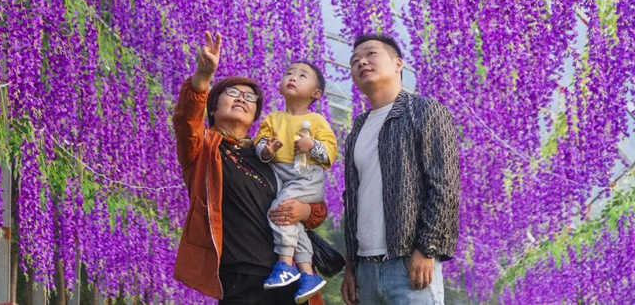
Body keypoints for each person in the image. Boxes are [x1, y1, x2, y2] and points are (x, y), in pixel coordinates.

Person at [172, 32, 327, 305]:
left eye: (250, 97)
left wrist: (305, 210)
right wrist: (203, 76)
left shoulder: (269, 153)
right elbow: (186, 120)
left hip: (289, 278)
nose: (242, 98)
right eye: (232, 93)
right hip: (240, 279)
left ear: (257, 115)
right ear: (212, 108)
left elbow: (312, 203)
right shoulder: (204, 149)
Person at [340, 34, 459, 305]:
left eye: (371, 54)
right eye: (355, 60)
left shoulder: (425, 111)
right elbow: (353, 201)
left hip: (408, 263)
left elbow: (444, 184)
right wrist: (351, 267)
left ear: (398, 63)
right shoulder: (358, 128)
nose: (362, 62)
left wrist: (427, 248)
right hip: (365, 270)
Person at [255, 62, 337, 303]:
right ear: (279, 86)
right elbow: (260, 145)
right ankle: (307, 273)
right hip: (282, 176)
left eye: (303, 76)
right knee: (294, 224)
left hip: (306, 175)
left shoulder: (317, 121)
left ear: (316, 93)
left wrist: (312, 146)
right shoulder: (272, 119)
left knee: (279, 211)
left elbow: (329, 154)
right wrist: (267, 150)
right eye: (288, 73)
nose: (293, 77)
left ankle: (284, 264)